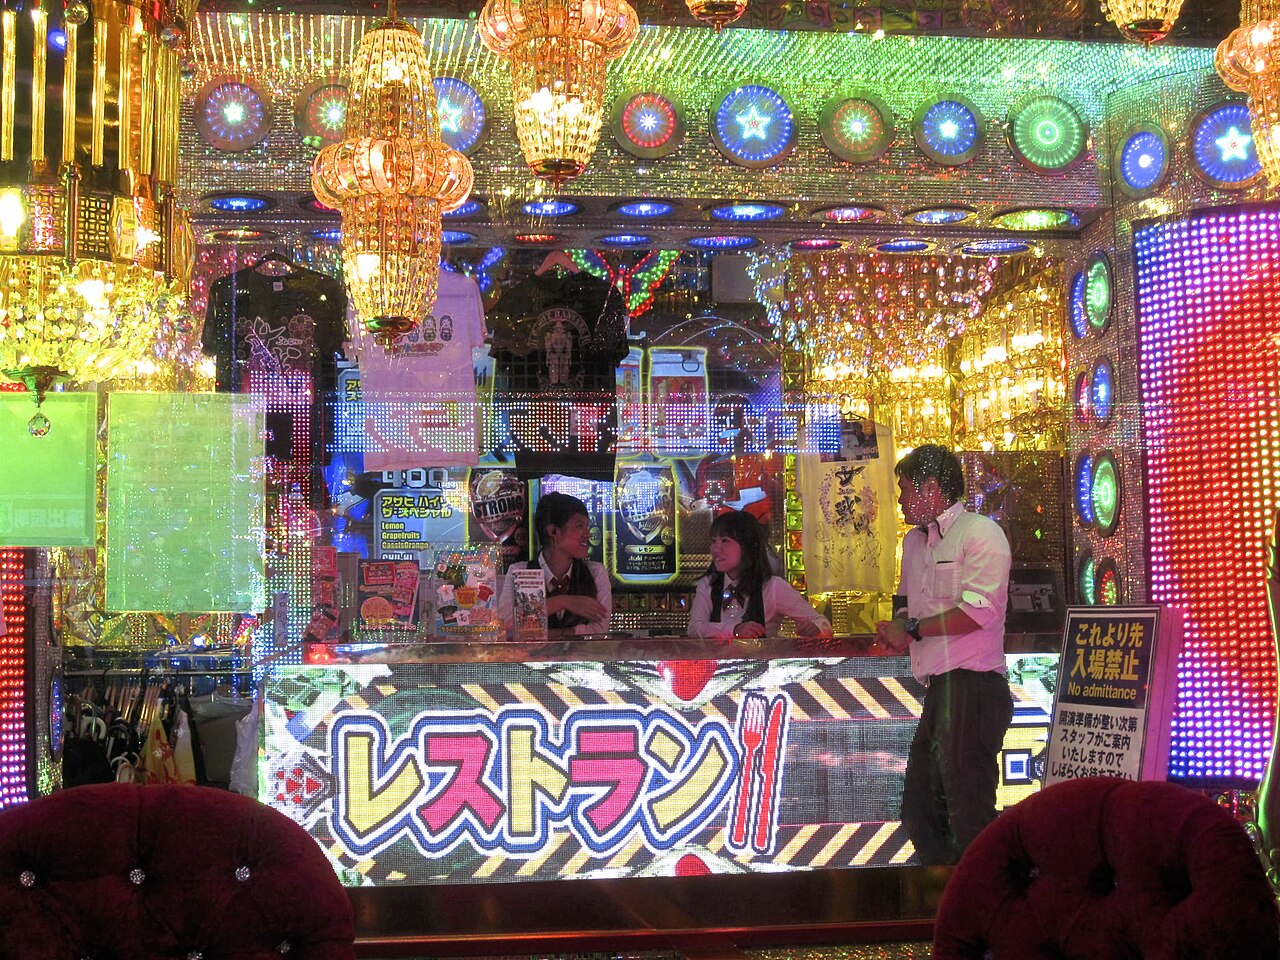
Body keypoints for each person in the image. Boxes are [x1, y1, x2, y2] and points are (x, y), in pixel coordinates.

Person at [875, 444, 1013, 866]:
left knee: (967, 811)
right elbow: (907, 602)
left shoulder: (979, 532)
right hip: (940, 689)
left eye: (904, 490)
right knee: (921, 812)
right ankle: (953, 902)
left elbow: (979, 611)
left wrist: (912, 629)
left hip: (974, 686)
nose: (899, 502)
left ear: (930, 488)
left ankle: (983, 907)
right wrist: (900, 625)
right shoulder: (914, 544)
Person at [689, 509, 832, 640]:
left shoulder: (773, 587)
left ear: (747, 545)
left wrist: (815, 627)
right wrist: (734, 630)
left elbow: (821, 623)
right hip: (716, 666)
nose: (716, 549)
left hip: (761, 666)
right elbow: (695, 629)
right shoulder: (708, 585)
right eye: (713, 542)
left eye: (725, 541)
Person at [498, 491, 612, 637]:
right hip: (530, 659)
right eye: (579, 526)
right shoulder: (519, 571)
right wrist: (562, 602)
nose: (588, 534)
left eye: (586, 526)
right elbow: (506, 624)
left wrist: (541, 633)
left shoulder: (595, 572)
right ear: (553, 531)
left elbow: (599, 630)